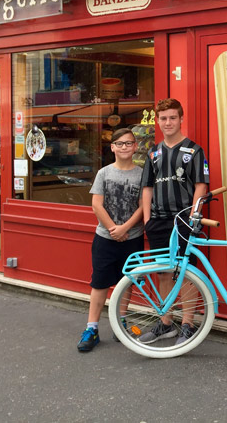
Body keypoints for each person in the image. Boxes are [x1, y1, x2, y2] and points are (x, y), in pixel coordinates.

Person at [139, 98, 209, 345]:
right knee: (163, 273)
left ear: (181, 119)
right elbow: (147, 187)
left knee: (187, 273)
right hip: (158, 221)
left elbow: (202, 184)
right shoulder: (153, 153)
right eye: (163, 118)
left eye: (172, 118)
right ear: (157, 121)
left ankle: (188, 325)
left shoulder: (194, 150)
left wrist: (192, 216)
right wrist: (147, 219)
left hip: (183, 220)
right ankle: (166, 323)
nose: (167, 122)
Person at [77, 128, 144, 352]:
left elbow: (144, 206)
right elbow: (97, 204)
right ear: (112, 147)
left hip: (132, 237)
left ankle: (121, 322)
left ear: (135, 147)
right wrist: (113, 229)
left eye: (129, 143)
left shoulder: (142, 174)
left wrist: (125, 228)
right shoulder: (104, 173)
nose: (124, 147)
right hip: (105, 238)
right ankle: (92, 328)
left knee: (128, 281)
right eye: (120, 143)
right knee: (100, 283)